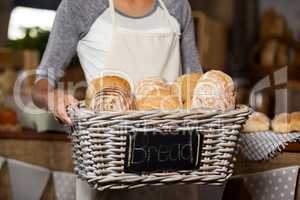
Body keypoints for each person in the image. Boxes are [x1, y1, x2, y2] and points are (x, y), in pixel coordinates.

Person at [32, 0, 203, 199]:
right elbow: (40, 85)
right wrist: (52, 97)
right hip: (107, 164)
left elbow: (195, 82)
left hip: (174, 164)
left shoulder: (176, 6)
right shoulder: (78, 6)